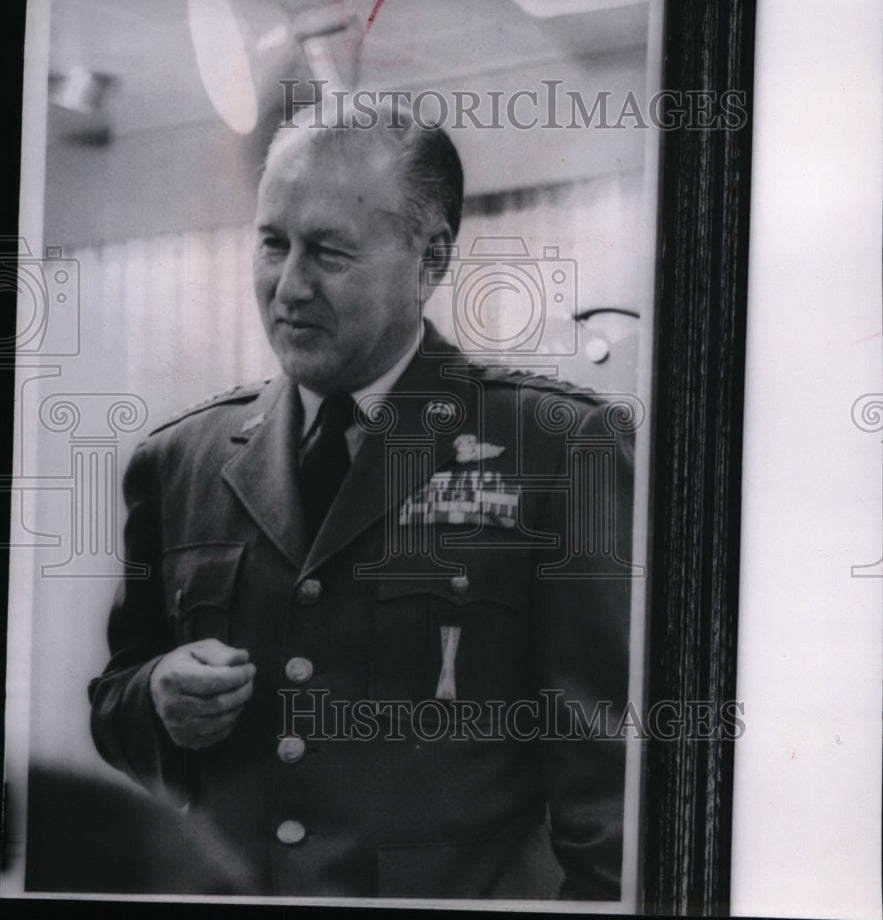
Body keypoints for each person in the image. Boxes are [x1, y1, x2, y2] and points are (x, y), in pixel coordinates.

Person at [88, 100, 635, 900]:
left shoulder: (557, 445)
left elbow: (607, 780)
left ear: (430, 258)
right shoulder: (180, 461)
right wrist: (157, 696)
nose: (290, 286)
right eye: (273, 243)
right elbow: (116, 700)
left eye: (329, 252)